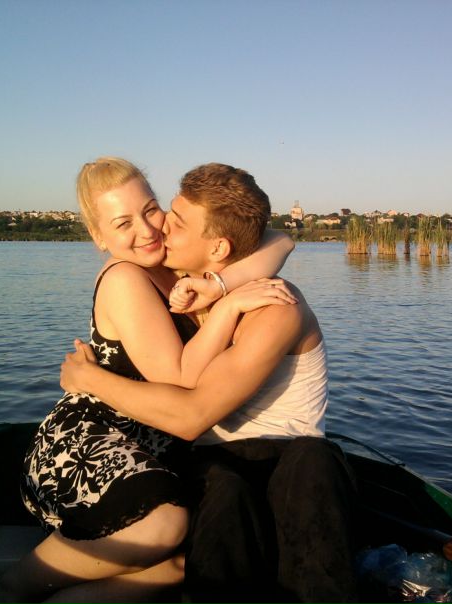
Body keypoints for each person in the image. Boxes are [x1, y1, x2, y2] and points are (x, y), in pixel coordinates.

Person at [0, 157, 296, 604]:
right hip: (87, 443)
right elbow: (180, 378)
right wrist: (229, 306)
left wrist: (221, 284)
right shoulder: (125, 277)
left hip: (151, 451)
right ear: (99, 237)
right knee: (163, 526)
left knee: (188, 561)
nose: (147, 229)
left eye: (151, 209)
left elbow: (281, 239)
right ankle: (12, 587)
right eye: (123, 223)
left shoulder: (176, 266)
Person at [61, 163, 359, 603]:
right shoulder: (184, 283)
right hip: (212, 457)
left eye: (174, 220)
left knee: (312, 464)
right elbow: (279, 239)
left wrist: (90, 378)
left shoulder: (276, 307)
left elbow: (192, 414)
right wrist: (222, 287)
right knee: (222, 489)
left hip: (287, 453)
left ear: (217, 247)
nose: (160, 226)